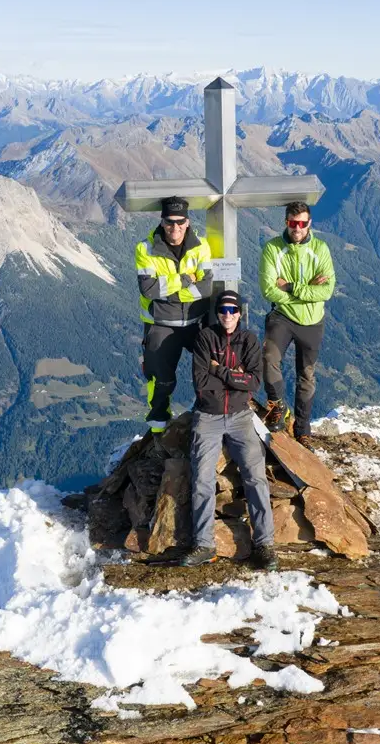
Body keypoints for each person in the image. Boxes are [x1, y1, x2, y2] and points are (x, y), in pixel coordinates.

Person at [179, 291, 277, 570]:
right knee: (202, 479)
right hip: (207, 416)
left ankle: (265, 545)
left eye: (233, 310)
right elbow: (200, 382)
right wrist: (236, 377)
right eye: (223, 310)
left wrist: (219, 370)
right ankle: (204, 544)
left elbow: (254, 382)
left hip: (239, 416)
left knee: (256, 476)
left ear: (240, 313)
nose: (227, 315)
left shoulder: (249, 340)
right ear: (217, 312)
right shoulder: (205, 339)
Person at [258, 201, 335, 448]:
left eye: (302, 223)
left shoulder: (321, 249)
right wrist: (307, 290)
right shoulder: (272, 248)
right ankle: (278, 407)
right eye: (293, 223)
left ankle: (303, 430)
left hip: (312, 321)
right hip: (282, 316)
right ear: (286, 223)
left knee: (307, 376)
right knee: (269, 357)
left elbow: (327, 290)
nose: (298, 228)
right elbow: (268, 289)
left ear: (309, 223)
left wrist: (291, 287)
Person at [135, 196, 213, 432]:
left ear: (188, 222)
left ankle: (211, 416)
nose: (175, 227)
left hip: (195, 321)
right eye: (170, 222)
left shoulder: (201, 246)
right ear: (162, 221)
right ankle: (158, 427)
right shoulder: (145, 248)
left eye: (180, 222)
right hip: (160, 323)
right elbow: (148, 290)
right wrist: (186, 280)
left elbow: (206, 287)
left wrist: (169, 292)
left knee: (211, 367)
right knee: (161, 378)